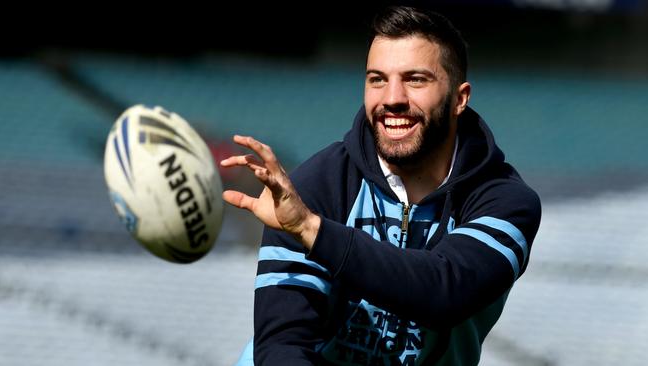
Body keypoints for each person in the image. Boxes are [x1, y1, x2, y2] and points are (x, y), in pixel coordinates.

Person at [221, 5, 541, 365]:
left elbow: (445, 293)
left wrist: (312, 230)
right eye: (377, 79)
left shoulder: (505, 202)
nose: (392, 99)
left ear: (459, 99)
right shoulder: (313, 187)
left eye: (415, 79)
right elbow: (283, 344)